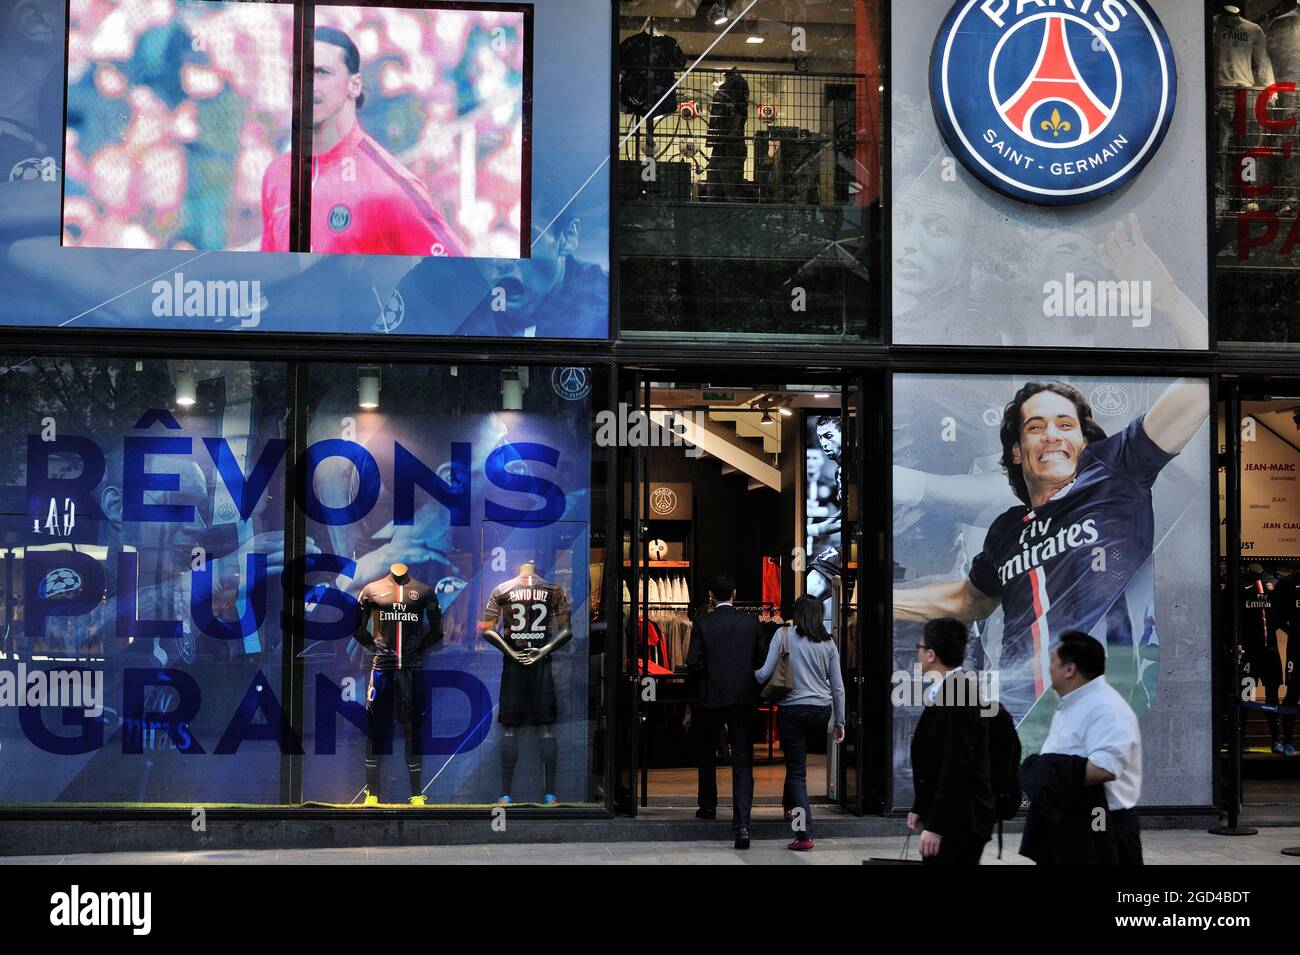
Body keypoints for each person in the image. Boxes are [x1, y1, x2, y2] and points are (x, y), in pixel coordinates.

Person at [894, 368, 1208, 734]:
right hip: (1022, 706)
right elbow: (970, 599)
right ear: (1016, 451)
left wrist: (1167, 306)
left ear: (1084, 444)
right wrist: (883, 599)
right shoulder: (1007, 530)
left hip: (1105, 697)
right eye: (1036, 427)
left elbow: (1197, 391)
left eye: (1065, 425)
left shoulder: (1115, 477)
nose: (1052, 435)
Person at [260, 27, 465, 257]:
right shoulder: (277, 174)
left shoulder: (387, 184)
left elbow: (461, 275)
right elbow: (271, 276)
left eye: (322, 72)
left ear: (354, 85)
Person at [755, 594, 845, 851]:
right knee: (795, 765)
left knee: (797, 771)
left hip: (792, 711)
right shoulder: (828, 643)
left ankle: (804, 834)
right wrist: (839, 721)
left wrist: (741, 675)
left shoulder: (783, 636)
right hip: (821, 711)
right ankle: (788, 807)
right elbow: (837, 687)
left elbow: (764, 674)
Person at [907, 617, 995, 864]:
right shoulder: (949, 690)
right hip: (953, 816)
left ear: (932, 654)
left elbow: (957, 766)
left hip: (959, 822)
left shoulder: (958, 694)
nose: (919, 653)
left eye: (920, 647)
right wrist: (920, 807)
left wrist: (937, 825)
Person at [687, 574, 765, 849]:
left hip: (711, 697)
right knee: (742, 762)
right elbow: (761, 659)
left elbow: (692, 660)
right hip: (743, 697)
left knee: (707, 753)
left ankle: (708, 805)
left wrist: (709, 673)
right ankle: (742, 823)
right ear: (734, 592)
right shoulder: (750, 622)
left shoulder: (703, 622)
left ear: (711, 595)